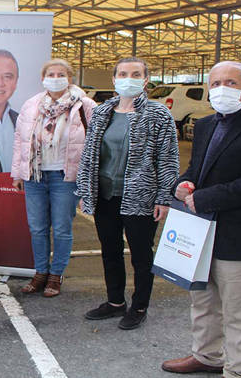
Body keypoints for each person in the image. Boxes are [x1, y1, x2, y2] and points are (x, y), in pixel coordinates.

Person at [162, 61, 241, 377]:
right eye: (216, 82)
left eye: (231, 82)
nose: (222, 89)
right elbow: (197, 170)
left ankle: (240, 371)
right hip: (201, 231)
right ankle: (206, 355)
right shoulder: (206, 125)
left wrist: (204, 197)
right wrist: (181, 185)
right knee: (203, 301)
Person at [76, 56, 179, 330]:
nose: (128, 79)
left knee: (141, 255)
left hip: (141, 196)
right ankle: (115, 302)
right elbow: (89, 155)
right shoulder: (101, 112)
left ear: (146, 80)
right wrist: (86, 190)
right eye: (122, 73)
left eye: (135, 74)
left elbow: (168, 159)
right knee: (110, 250)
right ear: (114, 79)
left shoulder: (158, 115)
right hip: (105, 195)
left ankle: (140, 305)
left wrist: (164, 197)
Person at [11, 59, 96, 297]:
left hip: (65, 176)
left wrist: (88, 177)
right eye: (51, 73)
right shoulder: (31, 105)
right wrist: (17, 172)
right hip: (35, 176)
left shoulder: (84, 105)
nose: (55, 77)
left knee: (61, 228)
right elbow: (20, 139)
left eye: (61, 74)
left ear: (70, 78)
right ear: (43, 77)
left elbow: (95, 142)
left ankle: (56, 274)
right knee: (37, 227)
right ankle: (40, 272)